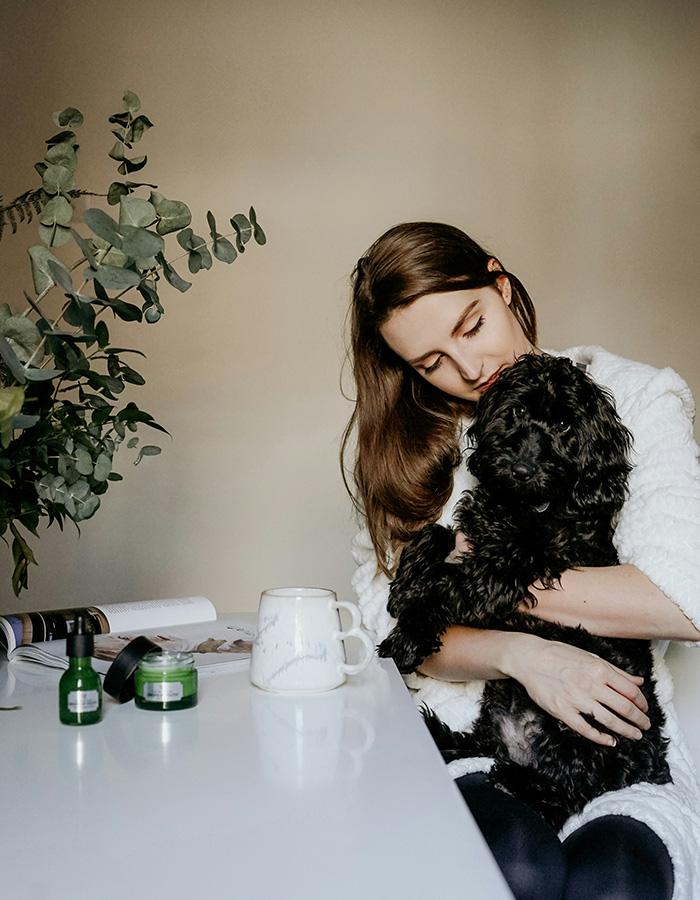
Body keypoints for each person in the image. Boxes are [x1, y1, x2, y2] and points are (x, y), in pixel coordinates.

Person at [343, 222, 700, 900]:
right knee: (516, 870)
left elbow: (683, 600)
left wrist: (484, 578)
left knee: (613, 886)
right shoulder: (408, 455)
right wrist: (523, 656)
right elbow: (391, 637)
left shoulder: (635, 395)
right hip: (464, 741)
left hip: (614, 744)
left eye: (471, 325)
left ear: (500, 283)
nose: (470, 370)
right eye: (431, 363)